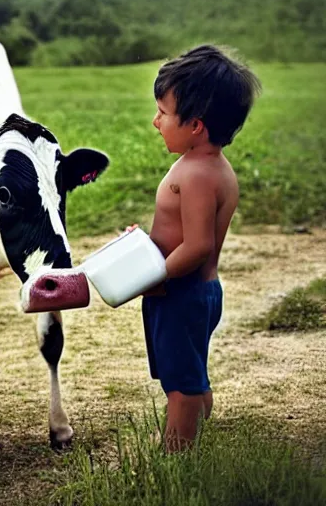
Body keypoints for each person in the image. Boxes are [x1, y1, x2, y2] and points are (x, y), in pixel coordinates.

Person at [132, 44, 261, 452]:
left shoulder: (199, 175)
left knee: (182, 385)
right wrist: (143, 246)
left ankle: (178, 452)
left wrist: (155, 274)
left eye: (163, 113)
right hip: (190, 292)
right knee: (189, 371)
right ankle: (192, 432)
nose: (156, 122)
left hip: (182, 294)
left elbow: (199, 245)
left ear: (196, 126)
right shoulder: (205, 165)